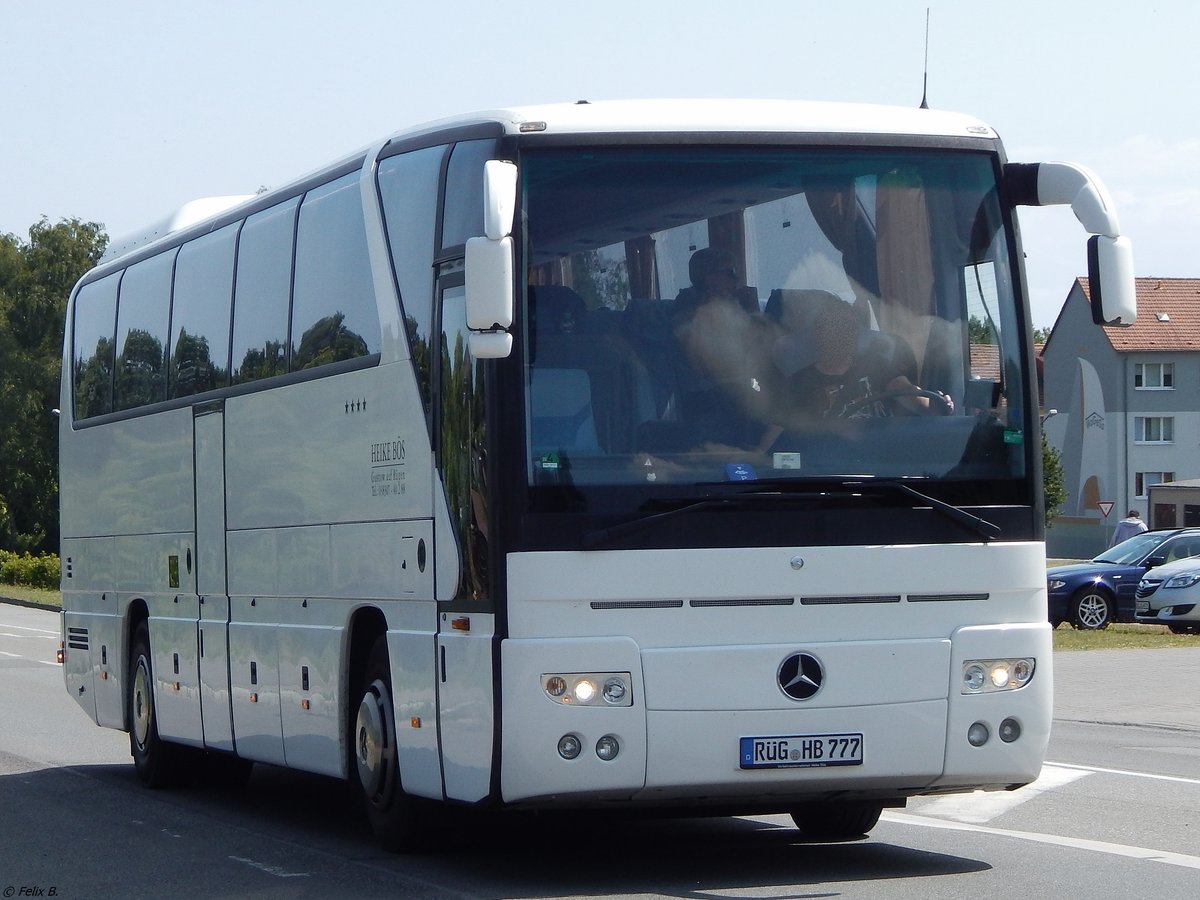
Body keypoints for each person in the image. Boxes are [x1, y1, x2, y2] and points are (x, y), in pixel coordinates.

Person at [789, 298, 952, 419]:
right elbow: (782, 428)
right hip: (830, 460)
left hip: (877, 457)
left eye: (849, 328)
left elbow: (908, 393)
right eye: (835, 328)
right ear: (819, 335)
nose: (844, 335)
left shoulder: (875, 367)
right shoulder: (800, 382)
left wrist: (933, 405)